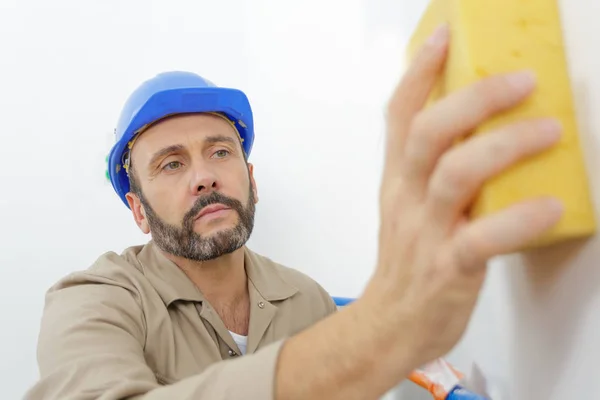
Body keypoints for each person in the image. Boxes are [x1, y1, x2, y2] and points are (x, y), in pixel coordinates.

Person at [25, 24, 563, 400]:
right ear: (138, 211)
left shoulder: (308, 300)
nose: (205, 175)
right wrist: (378, 332)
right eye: (170, 164)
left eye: (220, 151)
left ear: (251, 180)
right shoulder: (91, 302)